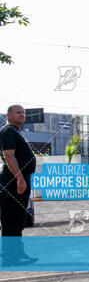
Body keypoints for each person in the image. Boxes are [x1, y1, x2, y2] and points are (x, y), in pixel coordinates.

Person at [0, 105, 37, 265]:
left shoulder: (16, 131)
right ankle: (10, 257)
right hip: (12, 180)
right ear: (9, 115)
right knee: (11, 219)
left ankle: (17, 253)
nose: (22, 115)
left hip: (20, 179)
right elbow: (8, 156)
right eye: (18, 112)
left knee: (19, 219)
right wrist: (19, 178)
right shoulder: (7, 131)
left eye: (23, 113)